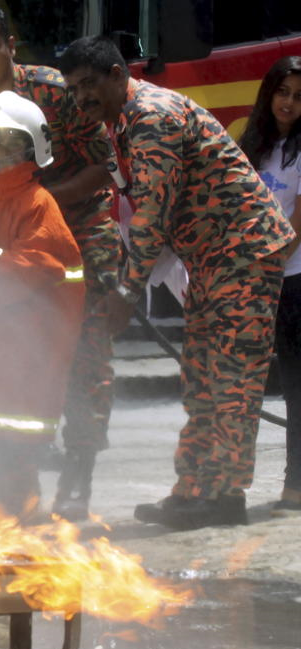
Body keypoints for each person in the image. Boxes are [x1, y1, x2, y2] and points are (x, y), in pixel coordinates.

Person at [59, 36, 296, 529]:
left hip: (243, 251)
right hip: (212, 256)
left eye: (88, 85)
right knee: (201, 374)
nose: (81, 97)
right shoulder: (122, 121)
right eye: (73, 88)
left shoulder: (152, 117)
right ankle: (194, 490)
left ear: (117, 75)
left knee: (230, 376)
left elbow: (152, 213)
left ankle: (223, 496)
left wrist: (127, 291)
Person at [0, 3, 119, 522]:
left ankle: (78, 471)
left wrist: (42, 198)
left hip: (76, 232)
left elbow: (105, 163)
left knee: (83, 358)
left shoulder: (54, 90)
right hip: (8, 249)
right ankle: (2, 473)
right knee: (2, 359)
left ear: (10, 46)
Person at [0, 90, 85, 521]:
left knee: (15, 447)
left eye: (9, 143)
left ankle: (23, 523)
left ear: (33, 147)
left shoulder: (37, 204)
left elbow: (29, 264)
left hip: (27, 349)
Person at [239, 56, 301, 515]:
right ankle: (226, 483)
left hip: (293, 279)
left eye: (299, 97)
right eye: (283, 92)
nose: (289, 103)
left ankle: (295, 485)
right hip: (252, 278)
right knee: (240, 386)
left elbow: (298, 222)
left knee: (295, 388)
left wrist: (270, 262)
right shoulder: (252, 145)